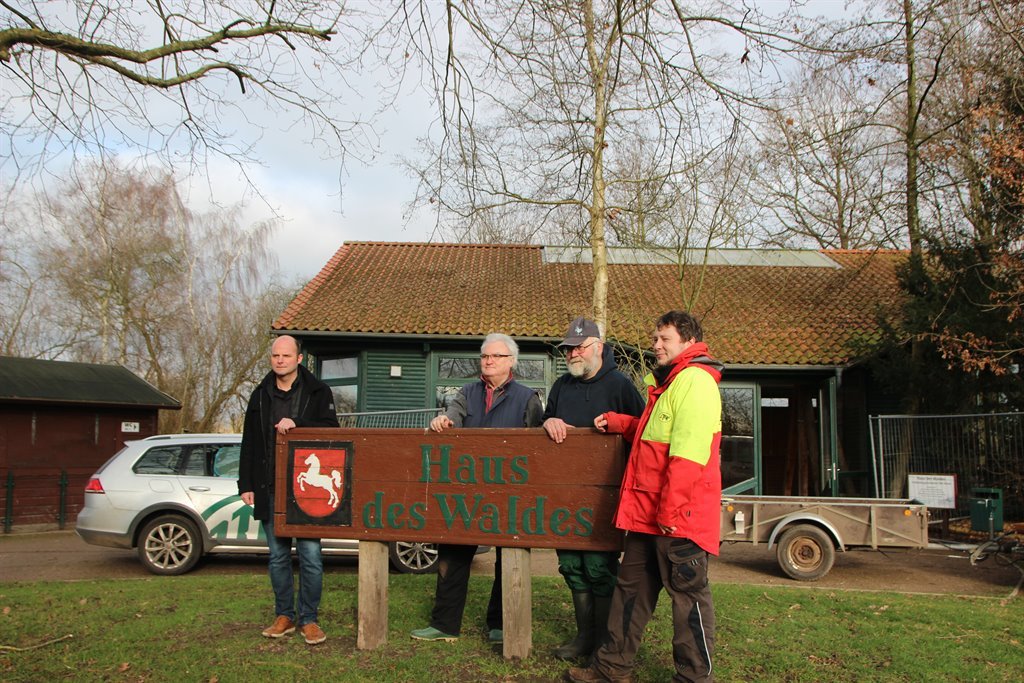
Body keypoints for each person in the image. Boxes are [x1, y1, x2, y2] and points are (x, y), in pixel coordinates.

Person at [568, 310, 724, 683]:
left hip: (676, 519)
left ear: (688, 340)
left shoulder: (695, 382)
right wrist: (623, 423)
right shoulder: (669, 384)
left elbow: (688, 454)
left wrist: (671, 511)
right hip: (647, 516)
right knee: (629, 593)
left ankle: (693, 677)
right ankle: (610, 669)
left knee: (688, 599)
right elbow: (655, 433)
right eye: (655, 338)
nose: (655, 345)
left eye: (663, 339)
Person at [411, 333, 543, 645]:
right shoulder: (466, 393)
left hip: (509, 491)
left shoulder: (528, 397)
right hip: (467, 491)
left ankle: (500, 624)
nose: (488, 361)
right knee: (453, 554)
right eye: (485, 356)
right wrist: (443, 421)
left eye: (496, 356)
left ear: (511, 361)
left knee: (507, 557)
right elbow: (451, 416)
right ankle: (444, 624)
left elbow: (537, 446)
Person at [542, 316, 644, 661]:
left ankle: (605, 642)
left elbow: (642, 437)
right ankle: (584, 637)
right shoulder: (560, 387)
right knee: (571, 565)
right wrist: (548, 421)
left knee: (600, 568)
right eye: (568, 348)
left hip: (605, 498)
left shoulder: (621, 386)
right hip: (565, 496)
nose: (572, 353)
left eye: (578, 347)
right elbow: (542, 427)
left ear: (598, 347)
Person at [238, 335, 340, 645]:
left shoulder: (318, 392)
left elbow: (331, 429)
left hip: (304, 491)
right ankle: (284, 615)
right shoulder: (259, 395)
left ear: (299, 359)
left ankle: (309, 619)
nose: (280, 360)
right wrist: (247, 484)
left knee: (311, 557)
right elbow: (250, 442)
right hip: (269, 488)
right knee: (278, 558)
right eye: (275, 355)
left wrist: (297, 422)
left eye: (286, 355)